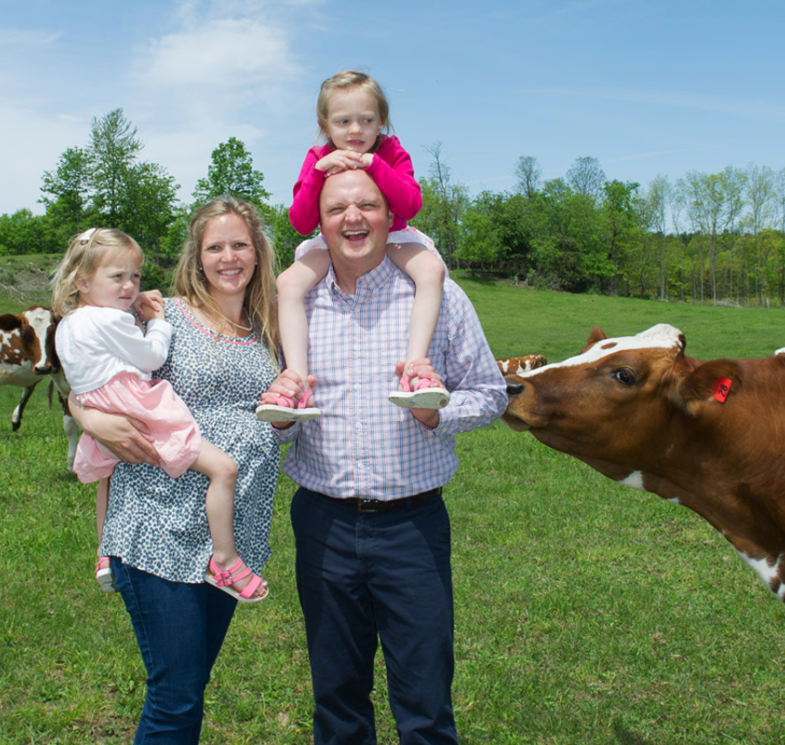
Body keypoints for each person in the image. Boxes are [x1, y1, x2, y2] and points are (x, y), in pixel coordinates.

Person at [260, 168, 507, 744]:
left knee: (424, 697)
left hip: (412, 526)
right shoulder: (297, 306)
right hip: (323, 522)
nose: (352, 218)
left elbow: (490, 392)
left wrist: (437, 414)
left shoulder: (437, 297)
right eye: (337, 209)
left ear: (390, 216)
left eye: (367, 205)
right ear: (318, 226)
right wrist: (277, 421)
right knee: (336, 696)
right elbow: (279, 413)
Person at [68, 198, 282, 744]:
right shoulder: (165, 315)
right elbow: (94, 375)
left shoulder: (272, 328)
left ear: (258, 251)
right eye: (215, 246)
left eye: (240, 244)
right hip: (157, 527)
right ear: (197, 255)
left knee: (191, 685)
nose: (229, 256)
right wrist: (85, 414)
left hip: (227, 541)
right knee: (176, 695)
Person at [51, 227, 267, 602]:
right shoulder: (110, 319)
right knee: (223, 468)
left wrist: (86, 412)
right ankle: (226, 559)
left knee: (108, 474)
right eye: (117, 277)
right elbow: (152, 357)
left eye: (135, 276)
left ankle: (105, 553)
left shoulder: (69, 322)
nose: (129, 286)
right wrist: (158, 323)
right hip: (135, 406)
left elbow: (79, 382)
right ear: (83, 282)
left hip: (101, 402)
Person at [256, 70, 448, 423]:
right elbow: (300, 221)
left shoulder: (391, 151)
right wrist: (318, 171)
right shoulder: (318, 155)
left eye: (366, 120)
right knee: (288, 284)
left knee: (432, 271)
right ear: (325, 125)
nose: (355, 131)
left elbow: (409, 206)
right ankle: (297, 381)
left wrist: (375, 166)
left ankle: (415, 370)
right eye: (343, 121)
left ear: (382, 123)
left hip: (395, 236)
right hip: (335, 241)